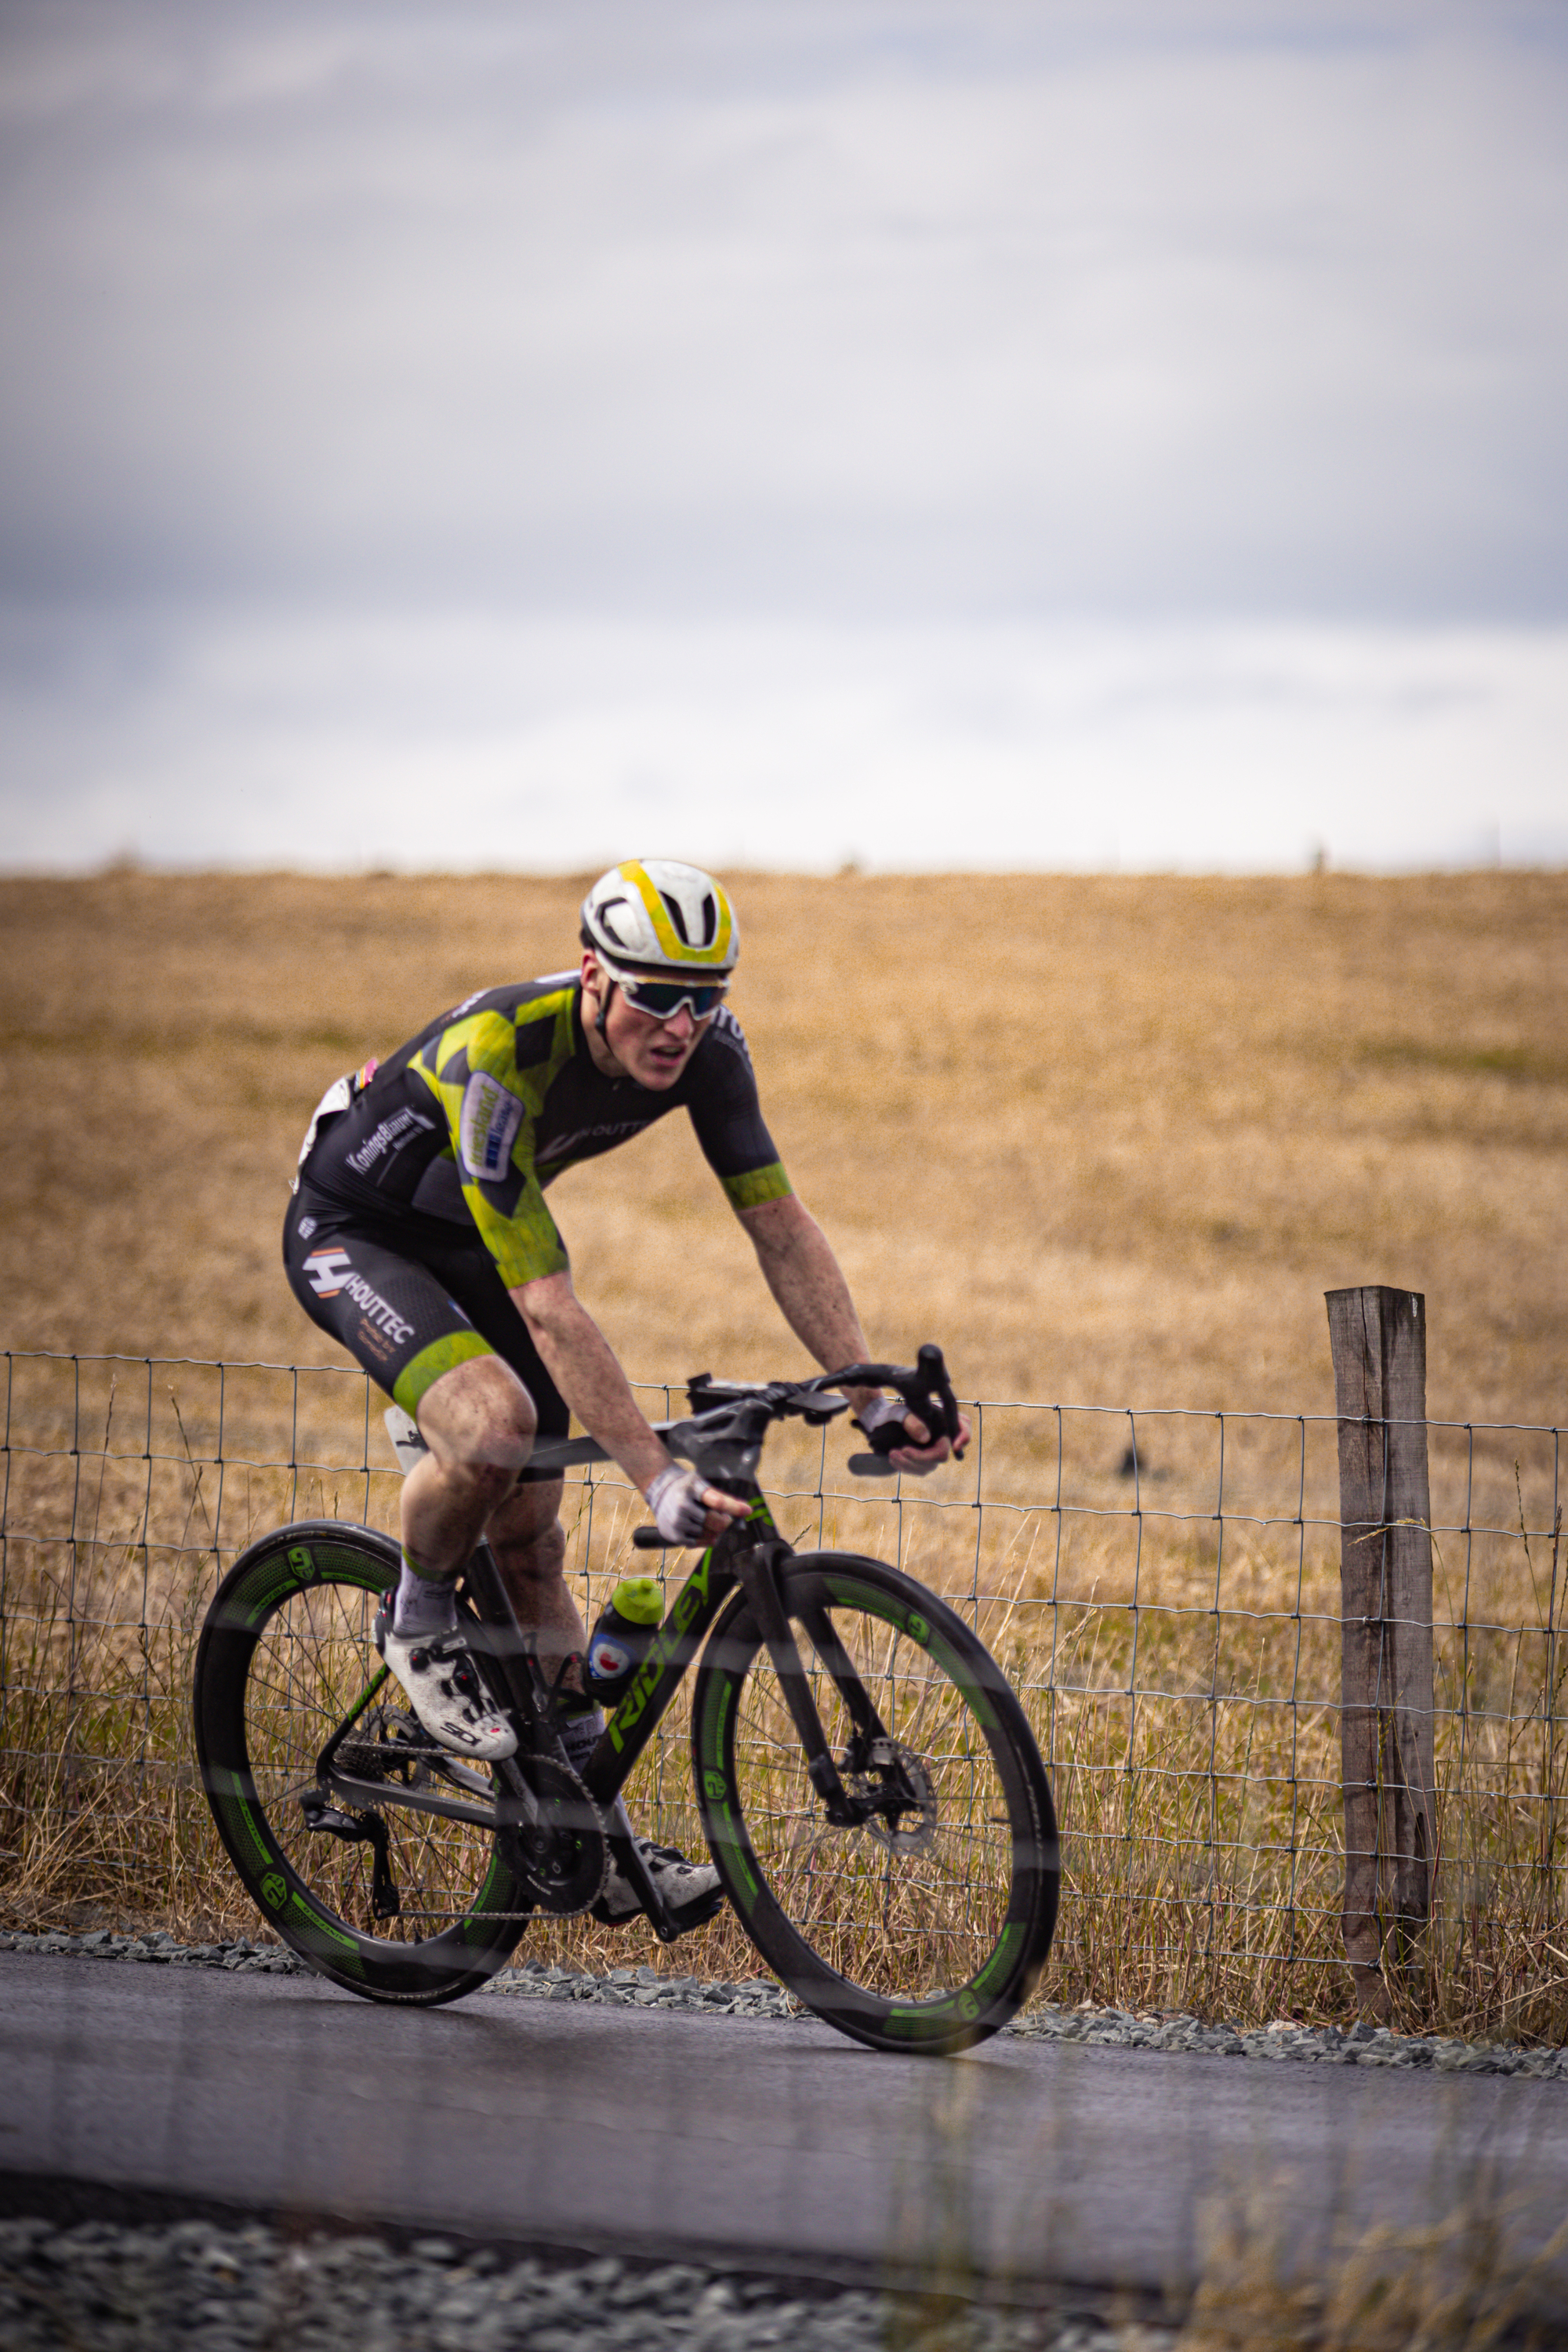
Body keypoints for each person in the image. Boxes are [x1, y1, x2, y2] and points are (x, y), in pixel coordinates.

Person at [283, 858, 967, 1932]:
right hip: (357, 1232)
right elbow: (551, 1306)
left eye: (707, 998)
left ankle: (578, 1827)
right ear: (594, 975)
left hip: (469, 1242)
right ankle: (414, 1625)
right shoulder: (503, 1052)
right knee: (496, 1427)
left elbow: (779, 1227)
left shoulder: (709, 1052)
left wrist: (868, 1393)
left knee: (533, 1542)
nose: (682, 1022)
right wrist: (655, 1479)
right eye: (657, 994)